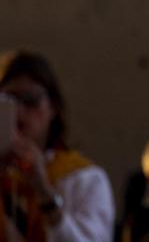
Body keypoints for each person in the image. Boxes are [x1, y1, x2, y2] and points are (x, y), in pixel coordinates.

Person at [0, 50, 115, 242]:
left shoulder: (85, 178)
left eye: (31, 100)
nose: (19, 111)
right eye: (8, 101)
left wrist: (44, 192)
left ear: (53, 107)